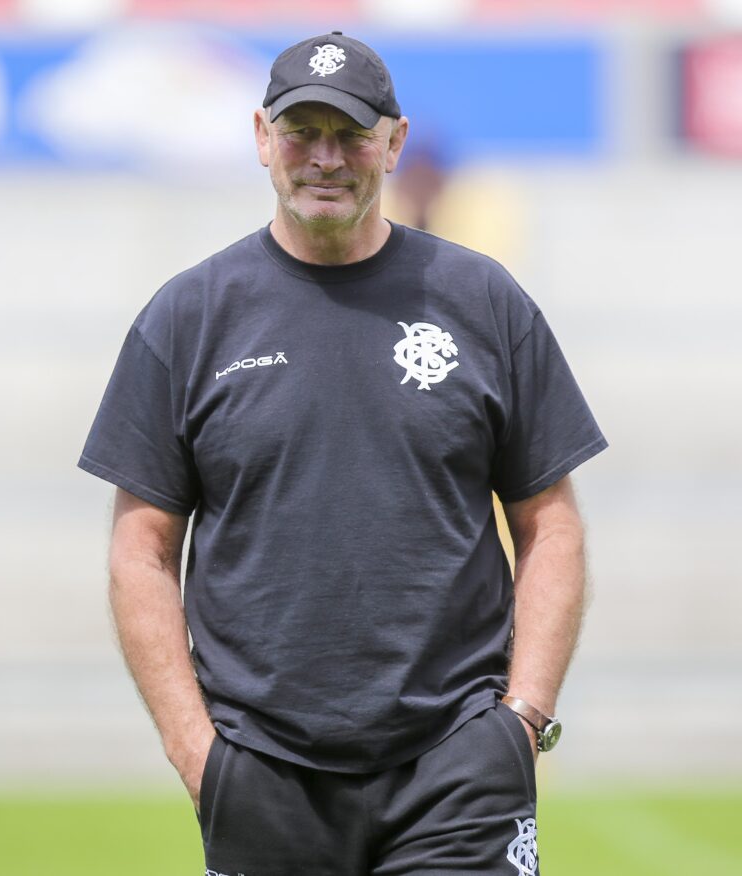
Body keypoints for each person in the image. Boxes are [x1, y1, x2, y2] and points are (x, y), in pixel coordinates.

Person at [79, 31, 607, 876]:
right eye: (302, 131)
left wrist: (524, 718)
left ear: (393, 142)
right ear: (261, 138)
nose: (326, 157)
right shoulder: (187, 317)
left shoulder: (484, 302)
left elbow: (553, 526)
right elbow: (139, 552)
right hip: (262, 775)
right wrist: (196, 752)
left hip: (459, 770)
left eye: (351, 133)